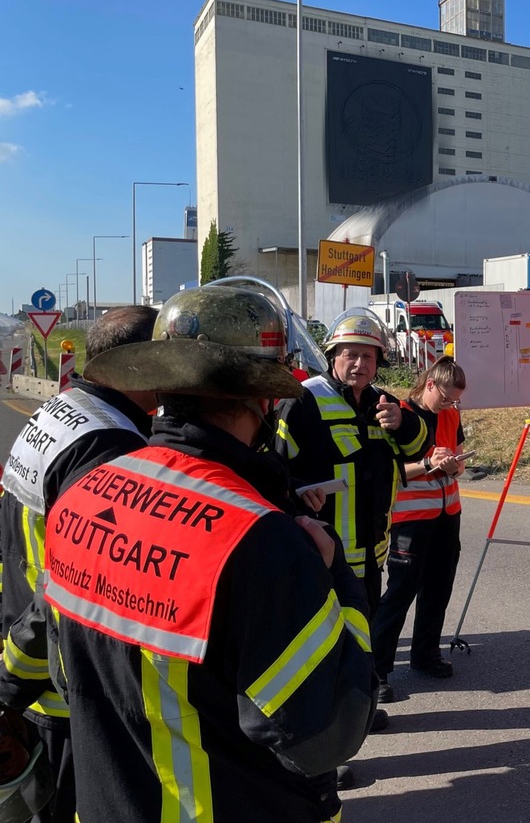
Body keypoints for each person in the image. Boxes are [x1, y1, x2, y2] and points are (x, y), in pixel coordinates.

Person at [40, 285, 376, 823]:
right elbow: (325, 734)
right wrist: (337, 578)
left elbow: (64, 674)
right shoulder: (260, 540)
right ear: (263, 397)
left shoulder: (81, 495)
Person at [0, 305, 158, 823]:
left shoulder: (63, 412)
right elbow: (80, 577)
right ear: (139, 365)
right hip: (65, 678)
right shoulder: (108, 446)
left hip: (34, 658)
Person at [274, 307, 426, 734]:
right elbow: (274, 469)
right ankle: (326, 742)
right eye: (351, 355)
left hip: (370, 554)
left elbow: (418, 445)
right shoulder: (303, 402)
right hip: (323, 553)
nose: (360, 364)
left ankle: (358, 712)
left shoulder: (384, 403)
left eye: (369, 357)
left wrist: (405, 421)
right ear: (333, 356)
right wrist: (300, 492)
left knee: (361, 642)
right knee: (324, 648)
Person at [373, 358, 467, 689]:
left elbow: (459, 461)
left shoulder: (451, 414)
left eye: (455, 400)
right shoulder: (397, 413)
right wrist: (429, 463)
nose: (450, 405)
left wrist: (454, 466)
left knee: (438, 588)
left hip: (446, 516)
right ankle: (378, 672)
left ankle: (425, 654)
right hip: (410, 520)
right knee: (400, 593)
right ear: (429, 385)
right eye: (445, 398)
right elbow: (391, 472)